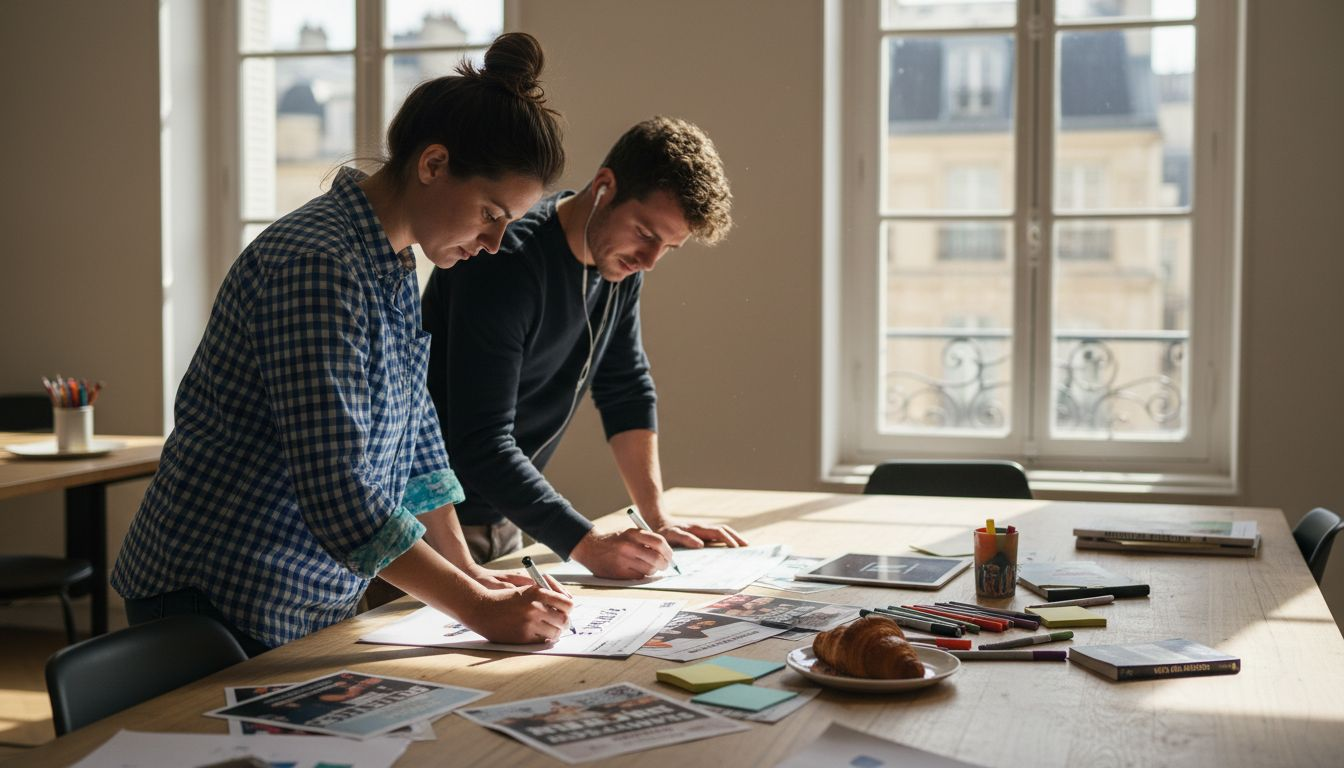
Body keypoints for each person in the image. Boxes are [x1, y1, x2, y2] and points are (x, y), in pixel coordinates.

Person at [111, 33, 573, 655]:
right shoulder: (318, 263)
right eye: (491, 213)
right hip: (216, 593)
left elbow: (417, 433)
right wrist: (478, 610)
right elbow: (341, 493)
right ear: (433, 165)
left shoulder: (392, 261)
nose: (494, 242)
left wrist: (467, 570)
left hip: (298, 591)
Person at [421, 116, 746, 579]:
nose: (649, 262)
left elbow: (626, 388)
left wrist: (657, 519)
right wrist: (587, 543)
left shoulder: (619, 267)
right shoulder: (504, 264)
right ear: (604, 187)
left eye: (668, 248)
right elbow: (481, 443)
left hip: (504, 520)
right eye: (647, 234)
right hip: (431, 523)